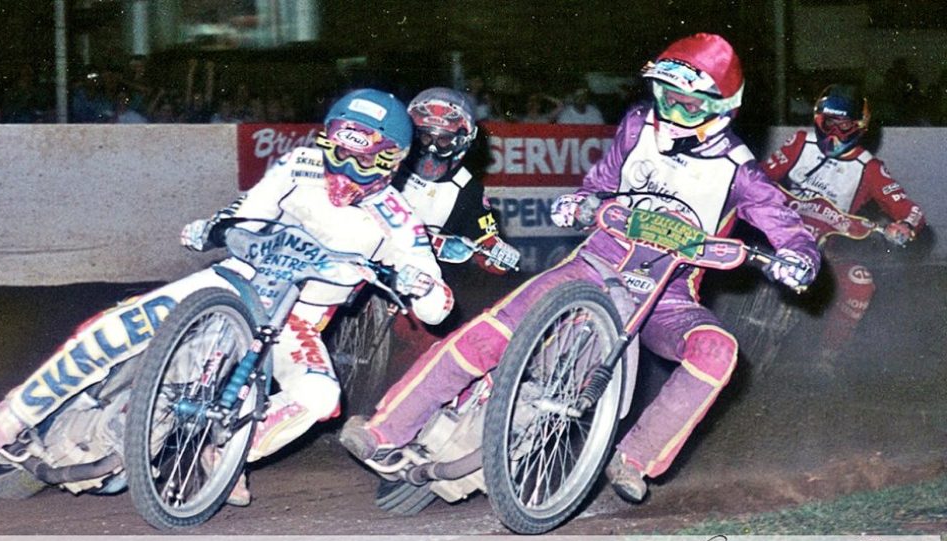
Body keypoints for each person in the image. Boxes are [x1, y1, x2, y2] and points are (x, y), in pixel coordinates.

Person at [340, 33, 820, 504]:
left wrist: (799, 258)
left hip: (666, 295)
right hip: (596, 264)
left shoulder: (742, 171)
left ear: (723, 108)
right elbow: (599, 183)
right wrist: (581, 202)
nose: (670, 115)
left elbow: (787, 227)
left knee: (717, 350)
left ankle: (635, 458)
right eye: (664, 97)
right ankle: (386, 429)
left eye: (688, 107)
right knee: (491, 332)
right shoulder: (636, 125)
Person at [0, 88, 454, 507]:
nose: (343, 168)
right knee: (119, 326)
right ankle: (10, 417)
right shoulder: (300, 163)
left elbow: (438, 305)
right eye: (337, 150)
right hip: (234, 281)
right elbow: (250, 210)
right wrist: (218, 224)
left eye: (363, 159)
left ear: (392, 159)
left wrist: (420, 285)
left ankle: (232, 453)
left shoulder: (400, 220)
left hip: (297, 322)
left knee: (322, 394)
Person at [763, 84, 925, 370]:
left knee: (861, 282)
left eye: (845, 126)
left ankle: (827, 357)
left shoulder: (869, 167)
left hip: (827, 251)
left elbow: (910, 210)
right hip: (778, 234)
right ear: (818, 121)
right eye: (829, 124)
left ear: (859, 126)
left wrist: (905, 225)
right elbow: (760, 177)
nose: (835, 134)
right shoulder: (801, 142)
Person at [398, 87, 519, 274]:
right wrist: (435, 243)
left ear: (462, 141)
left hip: (414, 275)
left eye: (443, 140)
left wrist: (498, 254)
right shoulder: (389, 163)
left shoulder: (467, 189)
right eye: (425, 136)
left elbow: (485, 245)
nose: (431, 148)